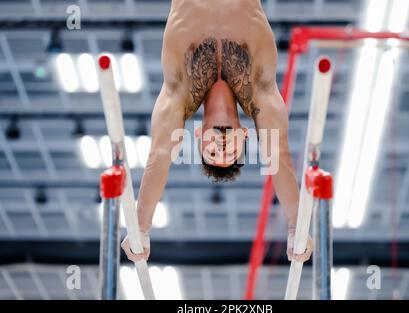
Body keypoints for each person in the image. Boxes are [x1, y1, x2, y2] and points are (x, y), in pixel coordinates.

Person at [121, 0, 313, 266]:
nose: (221, 147)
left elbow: (161, 153)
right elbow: (277, 153)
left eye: (212, 152)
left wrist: (140, 227)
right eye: (231, 151)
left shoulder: (179, 92)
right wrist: (296, 227)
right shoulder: (259, 90)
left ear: (198, 135)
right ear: (245, 134)